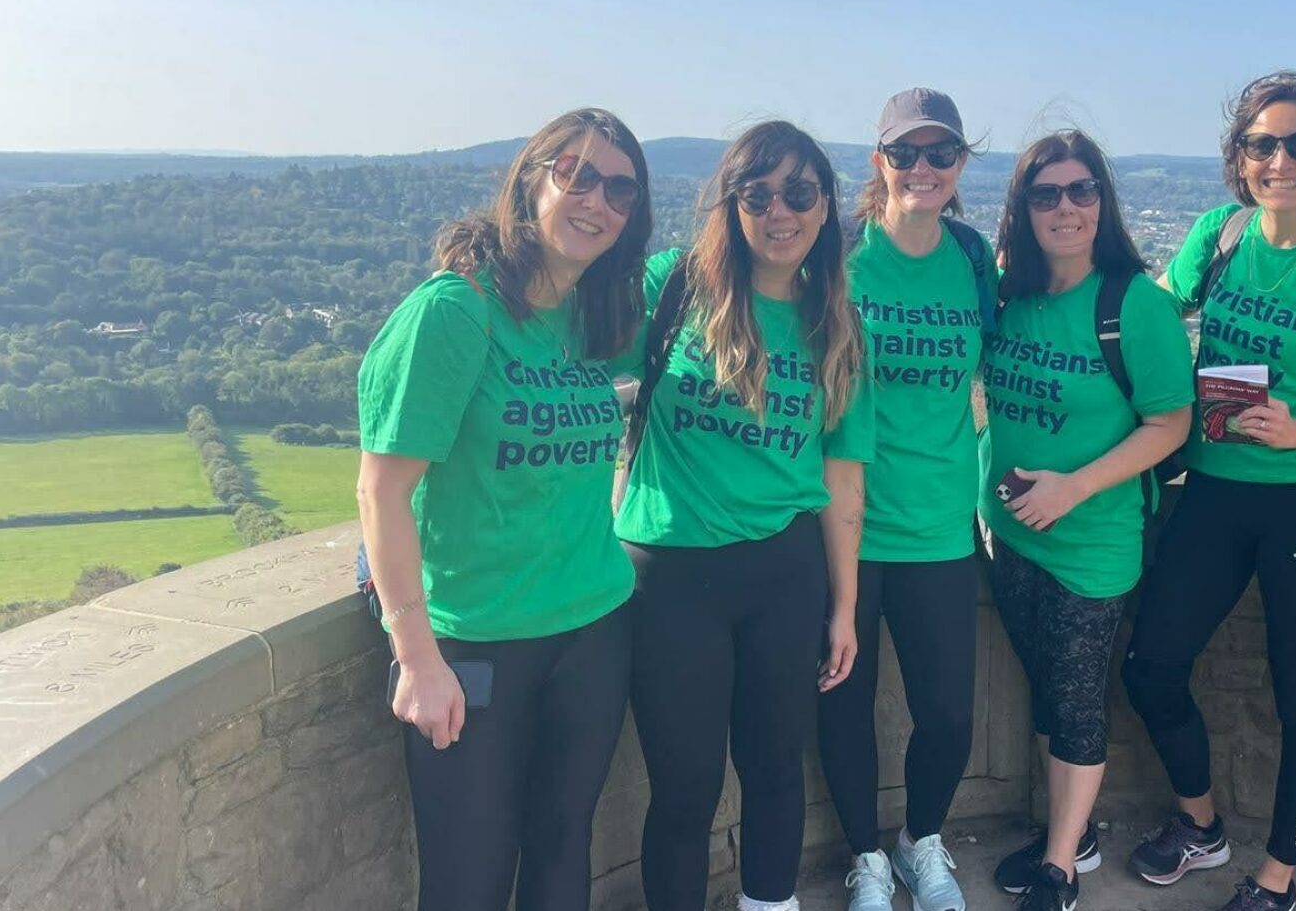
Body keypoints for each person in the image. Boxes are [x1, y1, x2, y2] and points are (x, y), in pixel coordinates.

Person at [1121, 72, 1296, 911]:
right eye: (1261, 143)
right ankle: (1201, 824)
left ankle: (1278, 878)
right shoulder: (1218, 234)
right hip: (1213, 489)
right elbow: (1156, 314)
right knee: (1151, 666)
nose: (1279, 159)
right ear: (1239, 157)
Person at [355, 107, 649, 910]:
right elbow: (380, 490)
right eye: (577, 174)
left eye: (620, 189)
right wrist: (416, 658)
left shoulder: (594, 315)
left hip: (592, 627)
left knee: (562, 853)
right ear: (531, 178)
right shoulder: (455, 312)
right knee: (467, 879)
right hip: (476, 639)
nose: (597, 200)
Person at [616, 120, 875, 911]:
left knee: (773, 770)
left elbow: (842, 478)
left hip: (783, 572)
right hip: (671, 570)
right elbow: (562, 328)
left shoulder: (834, 318)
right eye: (757, 194)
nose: (779, 212)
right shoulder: (672, 287)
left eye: (799, 193)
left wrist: (845, 607)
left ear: (827, 206)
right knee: (685, 788)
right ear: (731, 204)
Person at [980, 130, 1195, 911]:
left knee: (1073, 703)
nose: (1065, 207)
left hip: (1093, 540)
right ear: (1023, 209)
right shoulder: (1009, 293)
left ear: (1102, 201)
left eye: (1081, 190)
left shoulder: (1134, 303)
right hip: (1009, 534)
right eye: (1046, 194)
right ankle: (1068, 837)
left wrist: (1074, 487)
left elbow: (1171, 421)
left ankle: (1063, 866)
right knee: (1045, 692)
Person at [816, 88, 989, 911]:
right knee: (843, 709)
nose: (923, 168)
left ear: (960, 164)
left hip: (940, 530)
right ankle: (866, 859)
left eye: (940, 153)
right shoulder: (837, 256)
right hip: (842, 532)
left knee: (950, 714)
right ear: (879, 162)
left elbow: (1008, 369)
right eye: (905, 153)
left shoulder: (972, 258)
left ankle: (922, 840)